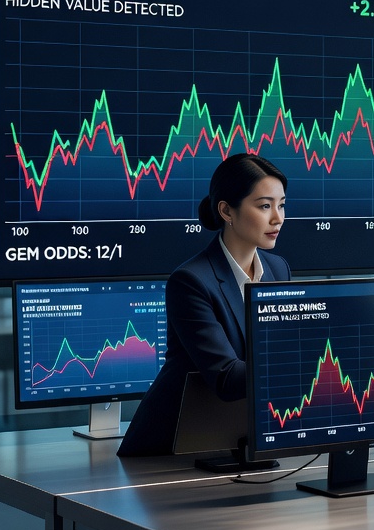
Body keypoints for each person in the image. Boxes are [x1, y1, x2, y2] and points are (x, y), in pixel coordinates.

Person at [119, 153, 290, 457]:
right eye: (265, 206)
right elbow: (225, 377)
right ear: (226, 210)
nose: (277, 218)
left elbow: (281, 348)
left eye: (281, 205)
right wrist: (306, 363)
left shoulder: (278, 269)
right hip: (173, 448)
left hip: (239, 438)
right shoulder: (190, 282)